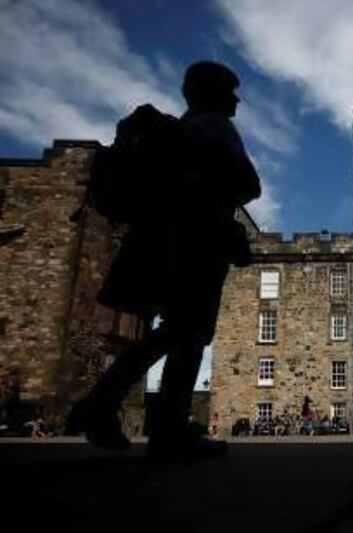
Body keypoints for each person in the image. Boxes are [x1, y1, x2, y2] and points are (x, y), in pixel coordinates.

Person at [65, 61, 261, 459]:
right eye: (230, 90)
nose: (236, 99)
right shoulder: (215, 128)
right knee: (187, 335)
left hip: (162, 242)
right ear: (212, 92)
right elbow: (247, 184)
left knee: (176, 332)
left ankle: (115, 407)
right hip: (195, 244)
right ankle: (149, 422)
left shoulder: (183, 129)